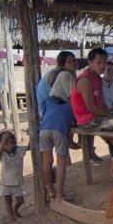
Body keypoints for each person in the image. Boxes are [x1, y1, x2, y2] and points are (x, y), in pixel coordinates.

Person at [70, 48, 113, 162]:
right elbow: (91, 108)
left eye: (104, 63)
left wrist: (111, 114)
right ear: (90, 63)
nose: (102, 66)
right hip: (86, 120)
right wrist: (110, 116)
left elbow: (101, 102)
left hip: (95, 117)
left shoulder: (97, 78)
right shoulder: (85, 80)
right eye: (98, 63)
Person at [39, 70, 76, 202]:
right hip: (59, 130)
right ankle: (60, 194)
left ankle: (50, 190)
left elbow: (43, 115)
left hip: (43, 130)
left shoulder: (48, 101)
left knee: (46, 161)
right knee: (61, 161)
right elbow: (73, 123)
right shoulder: (71, 106)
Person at [0, 130, 26, 223]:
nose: (9, 146)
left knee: (20, 201)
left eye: (11, 143)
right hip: (5, 183)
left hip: (16, 182)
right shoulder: (2, 154)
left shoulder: (19, 151)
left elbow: (29, 147)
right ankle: (11, 218)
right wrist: (4, 138)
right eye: (6, 144)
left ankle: (15, 210)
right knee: (8, 201)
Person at [35, 51, 77, 117]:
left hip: (53, 106)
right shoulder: (59, 74)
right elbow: (69, 97)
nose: (73, 63)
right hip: (46, 108)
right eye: (69, 62)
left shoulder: (71, 73)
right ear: (63, 65)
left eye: (74, 60)